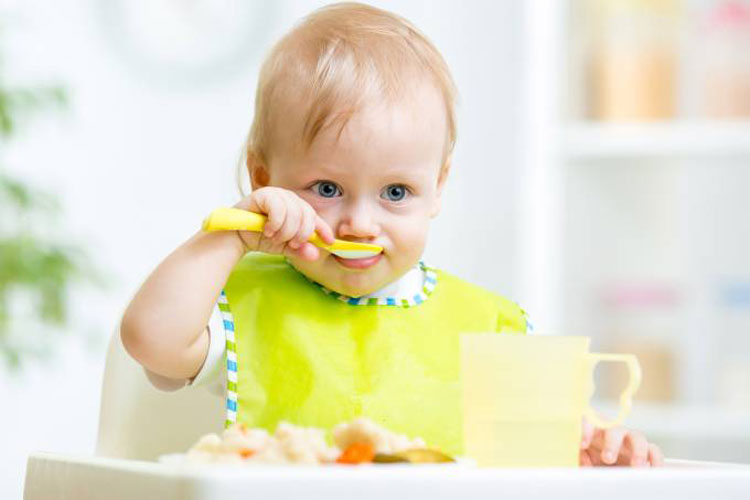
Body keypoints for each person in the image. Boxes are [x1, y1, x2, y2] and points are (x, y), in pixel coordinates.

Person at [120, 2, 663, 466]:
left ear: (438, 187)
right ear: (265, 180)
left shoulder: (489, 329)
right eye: (326, 188)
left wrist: (589, 452)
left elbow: (530, 462)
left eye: (396, 192)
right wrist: (231, 235)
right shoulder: (241, 302)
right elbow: (149, 339)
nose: (360, 222)